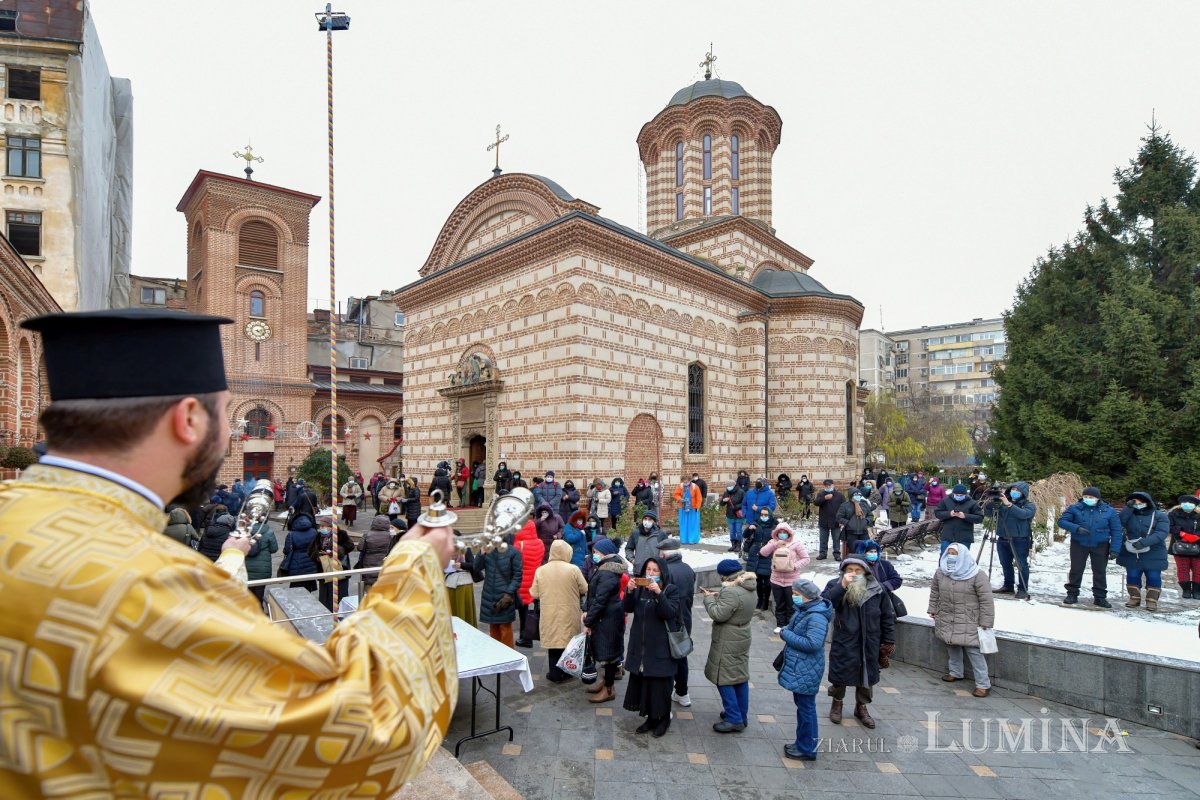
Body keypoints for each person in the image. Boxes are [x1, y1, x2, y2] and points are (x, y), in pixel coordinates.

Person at [1, 309, 459, 796]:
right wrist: (415, 564)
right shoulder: (148, 584)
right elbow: (365, 734)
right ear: (190, 419)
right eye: (227, 415)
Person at [822, 556, 896, 730]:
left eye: (857, 570)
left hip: (870, 640)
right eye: (849, 570)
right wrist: (842, 586)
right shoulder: (835, 585)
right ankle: (837, 703)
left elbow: (887, 616)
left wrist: (889, 640)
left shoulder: (877, 589)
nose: (853, 574)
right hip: (845, 639)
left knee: (867, 675)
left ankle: (861, 707)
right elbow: (824, 603)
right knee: (841, 672)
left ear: (865, 572)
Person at [620, 557, 681, 736]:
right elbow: (628, 608)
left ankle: (663, 720)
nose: (651, 573)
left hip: (661, 648)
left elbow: (669, 612)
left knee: (660, 686)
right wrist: (629, 591)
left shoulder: (671, 590)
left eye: (655, 570)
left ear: (662, 572)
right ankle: (650, 718)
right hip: (641, 647)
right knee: (646, 684)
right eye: (649, 569)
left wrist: (659, 594)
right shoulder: (640, 589)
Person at [929, 543, 995, 697]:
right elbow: (934, 592)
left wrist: (986, 621)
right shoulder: (941, 572)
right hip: (947, 615)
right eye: (949, 552)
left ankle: (983, 684)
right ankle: (955, 672)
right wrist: (932, 608)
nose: (951, 556)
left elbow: (986, 600)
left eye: (955, 553)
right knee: (951, 644)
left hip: (970, 619)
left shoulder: (977, 574)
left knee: (974, 651)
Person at [777, 578, 832, 761]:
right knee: (803, 708)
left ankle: (807, 748)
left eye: (796, 594)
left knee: (806, 709)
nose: (794, 597)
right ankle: (802, 743)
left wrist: (786, 634)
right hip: (803, 667)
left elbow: (813, 643)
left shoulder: (815, 616)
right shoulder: (806, 610)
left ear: (807, 597)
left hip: (807, 669)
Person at [701, 559, 756, 733]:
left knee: (723, 677)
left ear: (725, 574)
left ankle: (734, 718)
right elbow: (736, 606)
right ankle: (741, 714)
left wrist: (709, 600)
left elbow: (719, 614)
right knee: (738, 675)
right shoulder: (749, 585)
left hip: (728, 638)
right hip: (742, 634)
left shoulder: (731, 592)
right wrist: (720, 596)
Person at [531, 539, 589, 683]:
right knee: (567, 642)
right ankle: (567, 671)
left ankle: (554, 674)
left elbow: (534, 593)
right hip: (569, 612)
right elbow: (584, 588)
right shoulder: (573, 569)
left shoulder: (541, 570)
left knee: (553, 643)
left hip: (549, 613)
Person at [1057, 486, 1123, 607]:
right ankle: (1072, 594)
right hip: (1079, 543)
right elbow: (1062, 521)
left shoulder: (1109, 511)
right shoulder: (1075, 508)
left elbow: (1117, 530)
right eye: (1086, 497)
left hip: (1100, 544)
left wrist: (1114, 549)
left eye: (1091, 497)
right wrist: (1076, 528)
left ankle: (1100, 597)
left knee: (1099, 571)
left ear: (1098, 498)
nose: (1088, 499)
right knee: (1076, 569)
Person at [583, 538, 628, 704]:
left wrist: (588, 622)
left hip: (608, 619)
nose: (594, 554)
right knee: (607, 653)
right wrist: (587, 611)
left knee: (608, 654)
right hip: (606, 617)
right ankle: (606, 682)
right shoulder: (605, 568)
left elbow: (600, 600)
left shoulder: (607, 572)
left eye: (596, 552)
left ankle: (609, 689)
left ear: (604, 553)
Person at [656, 538, 696, 708]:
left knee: (667, 659)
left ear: (664, 554)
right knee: (681, 656)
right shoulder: (688, 569)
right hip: (685, 619)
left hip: (668, 622)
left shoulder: (666, 572)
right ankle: (682, 693)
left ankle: (664, 701)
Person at [471, 526, 524, 646]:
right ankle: (496, 656)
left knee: (505, 629)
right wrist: (481, 553)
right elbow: (476, 568)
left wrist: (509, 593)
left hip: (505, 597)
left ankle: (509, 656)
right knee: (493, 628)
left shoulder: (514, 552)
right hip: (489, 596)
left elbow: (517, 576)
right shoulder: (488, 550)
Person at [1118, 491, 1170, 611]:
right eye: (1135, 502)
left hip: (1154, 551)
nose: (1138, 505)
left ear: (1147, 503)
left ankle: (1152, 600)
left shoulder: (1159, 516)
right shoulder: (1129, 514)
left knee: (1153, 575)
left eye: (1141, 502)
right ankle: (1134, 597)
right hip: (1131, 550)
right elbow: (1119, 522)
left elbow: (1162, 533)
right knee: (1132, 574)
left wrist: (1144, 542)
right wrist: (1128, 508)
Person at [984, 481, 1036, 599]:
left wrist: (1009, 504)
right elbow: (988, 514)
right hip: (1003, 537)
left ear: (1023, 493)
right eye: (1013, 490)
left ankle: (1023, 589)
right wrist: (990, 502)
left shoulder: (1028, 505)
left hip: (1020, 539)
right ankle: (1008, 586)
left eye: (1018, 491)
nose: (1014, 492)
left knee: (1021, 564)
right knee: (1005, 563)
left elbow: (1024, 515)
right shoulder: (1003, 502)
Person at [759, 522, 812, 633]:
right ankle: (781, 624)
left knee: (792, 605)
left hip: (792, 581)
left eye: (784, 532)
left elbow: (806, 558)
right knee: (780, 603)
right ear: (776, 533)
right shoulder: (772, 542)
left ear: (789, 533)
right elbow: (763, 552)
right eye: (780, 532)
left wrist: (794, 566)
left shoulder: (796, 544)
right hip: (776, 580)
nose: (782, 534)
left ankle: (791, 626)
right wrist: (774, 545)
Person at [310, 511, 353, 612]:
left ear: (330, 526)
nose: (321, 528)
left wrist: (337, 551)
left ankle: (341, 615)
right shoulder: (318, 536)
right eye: (320, 526)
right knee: (325, 598)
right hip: (324, 571)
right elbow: (311, 550)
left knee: (340, 596)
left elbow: (350, 546)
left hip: (340, 570)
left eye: (324, 526)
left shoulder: (341, 534)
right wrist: (318, 556)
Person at [512, 519, 545, 647]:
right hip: (535, 581)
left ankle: (525, 638)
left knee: (523, 612)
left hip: (522, 583)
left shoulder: (518, 545)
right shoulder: (540, 543)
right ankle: (529, 636)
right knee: (532, 611)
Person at [743, 506, 778, 613]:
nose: (763, 517)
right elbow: (745, 535)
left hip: (768, 553)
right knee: (757, 580)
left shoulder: (775, 525)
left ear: (770, 515)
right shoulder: (756, 523)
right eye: (762, 514)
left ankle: (766, 601)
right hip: (755, 553)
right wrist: (749, 528)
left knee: (767, 581)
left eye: (766, 515)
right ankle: (759, 600)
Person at [934, 484, 983, 554]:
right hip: (948, 535)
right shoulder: (945, 501)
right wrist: (949, 514)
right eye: (957, 495)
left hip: (964, 536)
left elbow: (979, 518)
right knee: (944, 557)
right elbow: (938, 513)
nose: (959, 497)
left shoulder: (972, 503)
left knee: (962, 558)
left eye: (961, 495)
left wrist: (965, 516)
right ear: (953, 493)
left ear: (965, 494)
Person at [280, 511, 321, 593]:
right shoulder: (314, 532)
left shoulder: (292, 535)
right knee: (308, 587)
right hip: (311, 563)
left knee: (296, 588)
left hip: (296, 565)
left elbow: (287, 550)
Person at [1168, 495, 1200, 600]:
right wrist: (1182, 534)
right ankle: (1186, 590)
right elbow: (1169, 527)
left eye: (1190, 502)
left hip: (1198, 545)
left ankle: (1197, 590)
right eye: (1185, 502)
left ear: (1195, 505)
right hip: (1180, 545)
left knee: (1198, 569)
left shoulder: (1198, 515)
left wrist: (1196, 536)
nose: (1187, 504)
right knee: (1183, 569)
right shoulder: (1173, 514)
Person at [443, 533, 478, 627]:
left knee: (463, 609)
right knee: (451, 610)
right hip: (449, 582)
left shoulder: (466, 549)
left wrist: (461, 565)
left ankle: (466, 630)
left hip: (463, 582)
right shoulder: (445, 550)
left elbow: (473, 565)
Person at [243, 515, 278, 603]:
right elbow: (274, 549)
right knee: (259, 594)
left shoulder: (246, 531)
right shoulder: (269, 532)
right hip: (262, 568)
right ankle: (259, 612)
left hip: (247, 567)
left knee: (248, 594)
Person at [358, 514, 395, 591]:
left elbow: (360, 548)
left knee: (369, 585)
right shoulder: (390, 536)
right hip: (384, 562)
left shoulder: (367, 534)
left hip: (369, 563)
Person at [836, 488, 875, 559]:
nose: (858, 496)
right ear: (851, 496)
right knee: (853, 551)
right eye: (856, 495)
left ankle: (864, 565)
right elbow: (839, 517)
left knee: (865, 549)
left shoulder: (864, 504)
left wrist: (866, 521)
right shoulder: (845, 506)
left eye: (859, 495)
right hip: (851, 533)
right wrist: (848, 523)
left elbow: (870, 515)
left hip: (863, 532)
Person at [814, 479, 845, 560]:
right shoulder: (821, 494)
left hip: (836, 520)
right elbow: (816, 502)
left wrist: (842, 520)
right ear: (824, 486)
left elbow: (844, 508)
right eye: (826, 486)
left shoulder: (839, 495)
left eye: (829, 485)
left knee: (836, 538)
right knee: (823, 538)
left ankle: (837, 554)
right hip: (824, 520)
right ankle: (823, 553)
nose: (828, 487)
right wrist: (824, 498)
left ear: (833, 485)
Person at [674, 475, 702, 544]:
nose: (685, 483)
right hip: (683, 508)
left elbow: (699, 497)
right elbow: (676, 494)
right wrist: (680, 499)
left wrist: (698, 507)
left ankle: (692, 540)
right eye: (684, 481)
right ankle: (683, 540)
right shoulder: (680, 486)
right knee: (683, 524)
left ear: (690, 480)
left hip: (693, 508)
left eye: (687, 481)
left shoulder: (695, 486)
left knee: (692, 524)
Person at [720, 481, 747, 553]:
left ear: (734, 485)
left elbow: (745, 503)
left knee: (738, 530)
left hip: (738, 514)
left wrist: (736, 507)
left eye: (730, 485)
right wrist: (723, 500)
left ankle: (739, 545)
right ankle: (733, 545)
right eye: (727, 485)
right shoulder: (726, 492)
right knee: (732, 531)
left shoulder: (741, 492)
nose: (728, 487)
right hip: (730, 514)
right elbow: (721, 504)